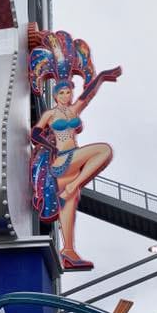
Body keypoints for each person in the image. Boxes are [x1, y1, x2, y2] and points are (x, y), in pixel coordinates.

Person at [29, 29, 121, 272]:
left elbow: (88, 95)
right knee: (103, 150)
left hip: (71, 169)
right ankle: (74, 184)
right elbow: (36, 133)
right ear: (56, 93)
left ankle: (68, 252)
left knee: (69, 202)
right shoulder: (50, 114)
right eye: (63, 92)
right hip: (62, 160)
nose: (67, 95)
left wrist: (101, 76)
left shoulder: (74, 110)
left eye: (69, 91)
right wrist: (50, 146)